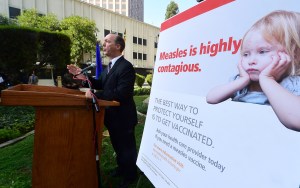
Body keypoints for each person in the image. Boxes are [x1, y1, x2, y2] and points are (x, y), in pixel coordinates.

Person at [206, 10, 300, 132]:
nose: (251, 60)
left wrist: (267, 80)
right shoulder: (242, 84)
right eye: (246, 54)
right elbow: (211, 98)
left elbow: (296, 119)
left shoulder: (292, 84)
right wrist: (242, 80)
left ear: (294, 54)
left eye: (262, 52)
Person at [67, 33, 138, 187]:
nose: (103, 44)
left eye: (107, 41)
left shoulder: (126, 67)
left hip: (124, 117)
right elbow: (100, 84)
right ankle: (122, 168)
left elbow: (121, 94)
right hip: (112, 116)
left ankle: (130, 175)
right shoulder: (110, 66)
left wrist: (95, 94)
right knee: (118, 146)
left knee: (127, 148)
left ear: (118, 46)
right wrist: (84, 77)